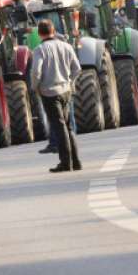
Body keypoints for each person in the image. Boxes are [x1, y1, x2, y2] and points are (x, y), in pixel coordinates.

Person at [30, 19, 82, 172]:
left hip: (49, 93)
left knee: (59, 128)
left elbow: (36, 72)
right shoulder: (66, 46)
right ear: (53, 30)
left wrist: (35, 87)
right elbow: (77, 68)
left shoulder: (39, 50)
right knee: (68, 126)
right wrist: (70, 82)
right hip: (66, 91)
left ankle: (66, 163)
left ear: (39, 33)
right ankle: (76, 161)